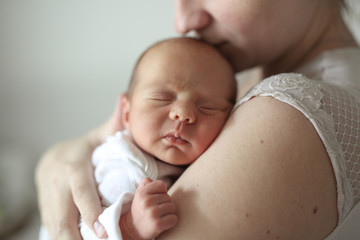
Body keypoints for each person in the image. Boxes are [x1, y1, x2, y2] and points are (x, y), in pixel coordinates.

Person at [36, 0, 360, 239]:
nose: (184, 20)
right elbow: (93, 145)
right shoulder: (232, 90)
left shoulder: (286, 115)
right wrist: (57, 159)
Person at [39, 37, 236, 240]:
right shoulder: (123, 165)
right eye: (163, 99)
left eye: (208, 108)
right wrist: (130, 228)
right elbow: (82, 230)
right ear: (126, 113)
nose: (183, 113)